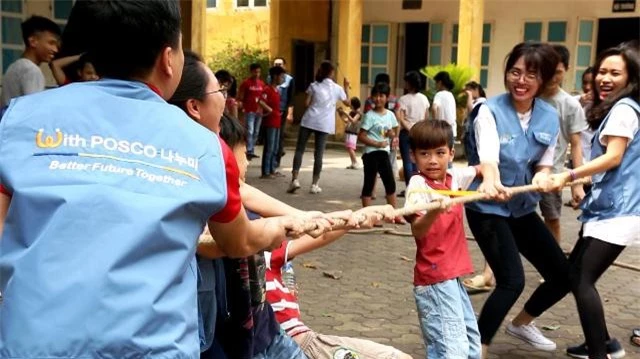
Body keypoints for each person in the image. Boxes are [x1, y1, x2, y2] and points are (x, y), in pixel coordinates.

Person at [0, 2, 297, 356]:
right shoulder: (206, 147)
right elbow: (240, 242)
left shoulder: (20, 120)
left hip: (32, 345)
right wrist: (284, 226)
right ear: (168, 59)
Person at [464, 42, 571, 357]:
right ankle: (477, 347)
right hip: (487, 207)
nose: (520, 81)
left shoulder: (549, 117)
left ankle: (522, 324)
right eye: (515, 71)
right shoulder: (489, 110)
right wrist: (493, 184)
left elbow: (544, 162)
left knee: (564, 276)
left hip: (522, 208)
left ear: (545, 80)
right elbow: (489, 159)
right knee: (512, 281)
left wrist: (542, 177)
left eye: (531, 75)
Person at [549, 42, 639, 359]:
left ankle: (600, 353)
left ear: (631, 77)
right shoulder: (622, 108)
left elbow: (614, 158)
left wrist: (569, 176)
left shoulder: (625, 110)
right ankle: (604, 345)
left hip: (618, 211)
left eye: (615, 73)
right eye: (602, 71)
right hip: (609, 208)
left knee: (581, 279)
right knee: (578, 275)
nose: (605, 78)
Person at [264, 214, 413, 359]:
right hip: (298, 342)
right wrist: (355, 217)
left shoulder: (265, 253)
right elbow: (322, 234)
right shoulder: (263, 252)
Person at [404, 119, 482, 359]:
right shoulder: (418, 185)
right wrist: (435, 209)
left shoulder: (453, 178)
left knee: (472, 346)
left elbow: (481, 168)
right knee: (452, 352)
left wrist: (492, 183)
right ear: (413, 156)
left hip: (452, 277)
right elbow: (417, 230)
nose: (433, 160)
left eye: (439, 152)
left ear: (451, 152)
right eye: (424, 154)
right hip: (434, 279)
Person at [538, 44, 587, 243]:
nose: (552, 77)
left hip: (553, 174)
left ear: (566, 69)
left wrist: (577, 183)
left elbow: (576, 144)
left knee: (552, 219)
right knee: (508, 218)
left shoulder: (570, 104)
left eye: (557, 72)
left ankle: (554, 268)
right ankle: (493, 271)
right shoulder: (529, 97)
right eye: (547, 71)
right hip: (522, 172)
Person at [288, 61, 349, 194]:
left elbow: (306, 103)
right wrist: (346, 88)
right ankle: (314, 184)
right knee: (319, 154)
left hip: (309, 120)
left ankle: (295, 180)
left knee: (300, 150)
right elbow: (348, 103)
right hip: (324, 124)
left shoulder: (314, 86)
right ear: (332, 73)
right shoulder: (338, 88)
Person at [358, 83, 404, 224]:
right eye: (375, 96)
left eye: (381, 96)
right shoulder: (369, 116)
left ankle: (394, 214)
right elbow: (361, 136)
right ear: (372, 97)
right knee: (369, 184)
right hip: (371, 154)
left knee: (390, 184)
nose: (378, 99)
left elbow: (395, 128)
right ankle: (369, 217)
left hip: (384, 153)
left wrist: (393, 136)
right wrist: (377, 143)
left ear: (387, 97)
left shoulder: (390, 115)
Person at [0, 15, 60, 106]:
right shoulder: (31, 70)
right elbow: (34, 110)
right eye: (51, 43)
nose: (55, 49)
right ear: (33, 41)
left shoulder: (14, 66)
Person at [364, 72, 401, 186]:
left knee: (373, 165)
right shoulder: (394, 99)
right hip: (390, 134)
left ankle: (373, 190)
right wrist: (396, 137)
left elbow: (367, 116)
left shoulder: (370, 100)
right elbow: (398, 120)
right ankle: (391, 188)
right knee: (392, 162)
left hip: (373, 136)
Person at [397, 71, 430, 189]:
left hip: (407, 132)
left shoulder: (403, 99)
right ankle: (417, 187)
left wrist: (409, 128)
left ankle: (409, 188)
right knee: (417, 160)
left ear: (410, 83)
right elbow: (426, 117)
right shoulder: (424, 99)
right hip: (420, 132)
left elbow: (400, 118)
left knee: (407, 161)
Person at [259, 66, 286, 179]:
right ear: (275, 76)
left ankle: (272, 169)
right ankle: (266, 172)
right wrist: (269, 109)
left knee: (275, 147)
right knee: (269, 147)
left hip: (277, 121)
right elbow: (260, 101)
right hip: (270, 122)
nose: (283, 78)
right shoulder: (267, 89)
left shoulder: (277, 90)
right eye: (281, 76)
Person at [239, 63, 266, 159]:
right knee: (249, 130)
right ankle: (248, 150)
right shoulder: (246, 83)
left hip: (259, 111)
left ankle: (252, 149)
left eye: (259, 72)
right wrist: (242, 107)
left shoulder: (262, 84)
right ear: (251, 72)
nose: (257, 74)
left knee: (256, 131)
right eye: (255, 72)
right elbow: (241, 96)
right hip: (249, 110)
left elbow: (263, 97)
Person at [272, 57, 295, 169]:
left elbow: (291, 98)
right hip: (271, 110)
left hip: (282, 110)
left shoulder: (289, 80)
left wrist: (290, 113)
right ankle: (270, 161)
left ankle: (277, 160)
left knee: (280, 136)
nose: (278, 66)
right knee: (271, 137)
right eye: (276, 64)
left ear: (284, 66)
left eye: (280, 64)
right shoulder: (269, 78)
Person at [431, 71, 458, 140]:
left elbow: (434, 108)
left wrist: (435, 123)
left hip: (441, 131)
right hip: (452, 130)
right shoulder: (451, 95)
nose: (435, 85)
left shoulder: (439, 94)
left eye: (436, 83)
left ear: (440, 82)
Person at [338, 97, 362, 169]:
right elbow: (346, 121)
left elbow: (353, 121)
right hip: (349, 131)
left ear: (354, 104)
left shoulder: (358, 113)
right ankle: (353, 163)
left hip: (353, 132)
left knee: (351, 147)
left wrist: (346, 113)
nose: (349, 104)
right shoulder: (352, 112)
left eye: (350, 103)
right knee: (349, 148)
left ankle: (356, 162)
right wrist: (341, 114)